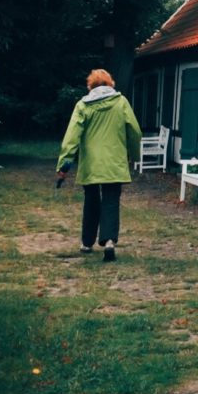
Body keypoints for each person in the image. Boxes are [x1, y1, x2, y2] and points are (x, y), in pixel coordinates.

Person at [56, 69, 141, 262]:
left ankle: (87, 243)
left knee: (91, 200)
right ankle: (109, 241)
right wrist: (134, 155)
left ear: (90, 86)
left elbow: (71, 138)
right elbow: (135, 131)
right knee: (111, 200)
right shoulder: (121, 102)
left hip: (91, 164)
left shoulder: (82, 106)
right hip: (114, 162)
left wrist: (64, 165)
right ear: (111, 84)